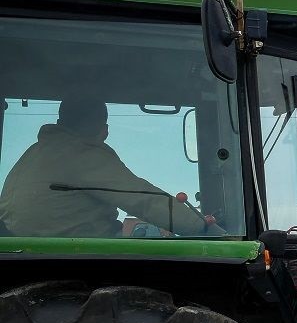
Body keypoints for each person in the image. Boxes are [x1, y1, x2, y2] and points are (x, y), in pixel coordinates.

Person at [0, 97, 216, 238]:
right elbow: (142, 199)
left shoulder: (34, 153)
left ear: (60, 121)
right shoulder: (82, 154)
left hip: (34, 252)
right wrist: (203, 227)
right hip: (80, 257)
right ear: (103, 129)